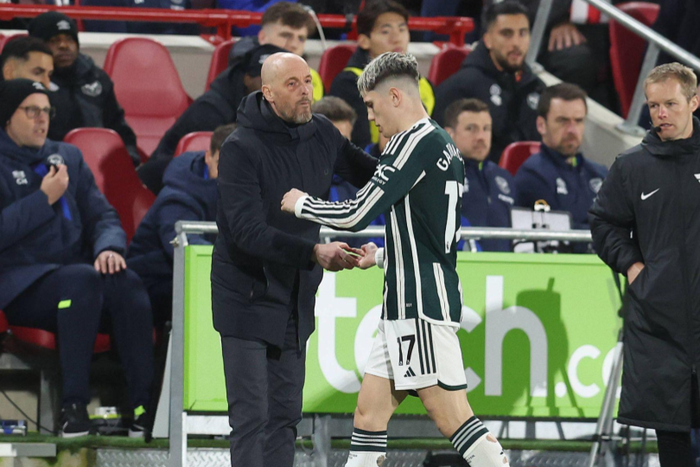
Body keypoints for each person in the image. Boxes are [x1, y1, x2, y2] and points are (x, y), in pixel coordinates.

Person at [281, 52, 510, 467]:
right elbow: (430, 231)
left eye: (372, 106)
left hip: (419, 306)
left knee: (453, 419)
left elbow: (355, 214)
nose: (371, 117)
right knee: (369, 416)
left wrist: (302, 204)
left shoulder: (412, 144)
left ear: (394, 96)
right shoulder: (440, 143)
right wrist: (384, 255)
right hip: (404, 302)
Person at [212, 52, 378, 467]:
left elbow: (372, 176)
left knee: (285, 417)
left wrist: (418, 169)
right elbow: (246, 232)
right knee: (252, 417)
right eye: (293, 85)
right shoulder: (239, 147)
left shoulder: (321, 131)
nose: (306, 92)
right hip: (246, 298)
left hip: (294, 297)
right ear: (267, 92)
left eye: (308, 81)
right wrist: (313, 251)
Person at [0, 79, 153, 438]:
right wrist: (44, 199)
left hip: (77, 273)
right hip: (21, 281)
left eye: (46, 111)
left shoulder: (66, 156)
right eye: (31, 111)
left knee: (126, 281)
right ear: (8, 116)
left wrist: (109, 248)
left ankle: (144, 409)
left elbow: (103, 216)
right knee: (81, 281)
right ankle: (73, 407)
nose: (42, 119)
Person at [589, 62, 700, 467]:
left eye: (670, 104)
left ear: (694, 101)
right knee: (671, 438)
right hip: (659, 325)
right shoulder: (632, 166)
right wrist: (634, 268)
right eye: (653, 106)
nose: (661, 114)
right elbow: (603, 222)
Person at [127, 123, 236, 327]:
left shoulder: (248, 191)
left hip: (199, 277)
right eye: (223, 164)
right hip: (151, 283)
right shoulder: (179, 196)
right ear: (208, 157)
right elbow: (187, 248)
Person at [142, 43, 286, 194]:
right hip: (170, 188)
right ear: (247, 79)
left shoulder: (280, 110)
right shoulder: (210, 111)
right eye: (266, 81)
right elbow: (208, 174)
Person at [433, 0, 544, 163]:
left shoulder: (536, 87)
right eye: (507, 33)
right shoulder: (461, 87)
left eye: (523, 33)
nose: (516, 43)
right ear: (488, 39)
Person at [27, 12, 140, 166]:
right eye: (54, 41)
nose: (64, 46)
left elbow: (118, 126)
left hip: (99, 163)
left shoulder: (96, 78)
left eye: (69, 39)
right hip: (45, 164)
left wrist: (128, 156)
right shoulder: (28, 81)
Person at [329, 0, 435, 148]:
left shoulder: (425, 84)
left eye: (402, 29)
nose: (397, 38)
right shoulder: (350, 83)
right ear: (364, 41)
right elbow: (355, 146)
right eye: (385, 31)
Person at [514, 83, 607, 231]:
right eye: (562, 121)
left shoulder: (601, 174)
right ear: (541, 125)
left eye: (578, 121)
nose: (572, 129)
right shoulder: (533, 175)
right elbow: (558, 234)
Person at [443, 98, 515, 252]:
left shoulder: (504, 177)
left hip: (507, 270)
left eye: (486, 129)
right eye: (471, 128)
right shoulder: (439, 175)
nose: (481, 137)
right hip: (462, 269)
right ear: (449, 133)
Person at [312, 96, 384, 248]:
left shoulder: (365, 184)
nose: (340, 148)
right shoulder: (295, 183)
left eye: (345, 142)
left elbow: (376, 238)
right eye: (334, 140)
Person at [228, 2, 324, 102]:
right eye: (286, 35)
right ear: (263, 37)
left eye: (301, 38)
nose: (294, 45)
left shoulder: (313, 77)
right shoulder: (238, 75)